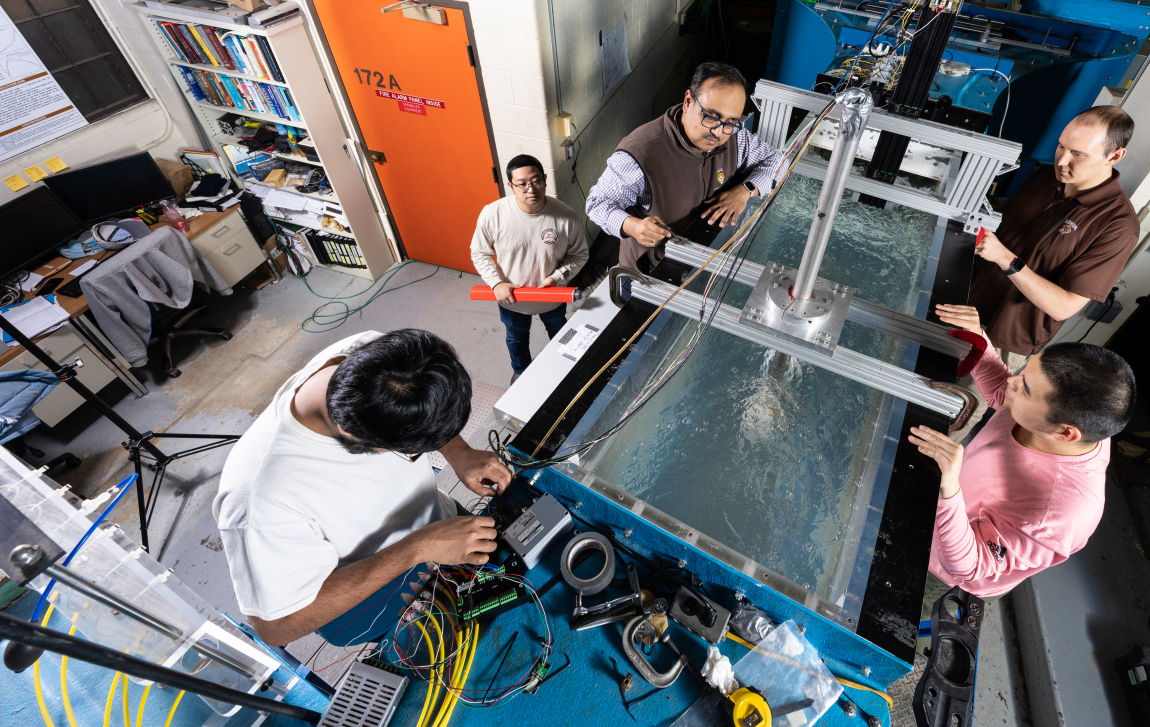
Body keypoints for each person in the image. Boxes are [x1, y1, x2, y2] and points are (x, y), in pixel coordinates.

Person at [213, 329, 513, 647]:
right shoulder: (258, 502)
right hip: (375, 590)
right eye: (412, 451)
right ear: (351, 434)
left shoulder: (376, 357)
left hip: (441, 528)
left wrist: (458, 452)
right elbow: (276, 628)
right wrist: (418, 548)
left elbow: (420, 401)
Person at [911, 303, 1135, 609]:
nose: (1012, 383)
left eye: (1026, 389)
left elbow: (968, 565)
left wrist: (948, 488)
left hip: (943, 571)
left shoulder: (1060, 515)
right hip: (943, 509)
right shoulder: (1069, 421)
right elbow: (1004, 395)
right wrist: (980, 342)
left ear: (1065, 433)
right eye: (1025, 372)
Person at [968, 106, 1140, 370]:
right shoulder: (1045, 177)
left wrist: (1006, 259)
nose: (1061, 161)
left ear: (1114, 156)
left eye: (1077, 154)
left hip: (1003, 338)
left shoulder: (1117, 225)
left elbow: (1063, 306)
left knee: (960, 404)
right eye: (1061, 147)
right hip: (966, 302)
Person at [586, 62, 784, 272]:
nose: (718, 133)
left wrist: (745, 191)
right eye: (711, 117)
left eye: (730, 122)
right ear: (688, 101)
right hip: (649, 277)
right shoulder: (641, 153)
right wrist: (632, 225)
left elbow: (779, 162)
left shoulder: (735, 138)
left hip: (705, 263)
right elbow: (596, 203)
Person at [470, 154, 588, 382]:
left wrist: (558, 277)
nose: (530, 189)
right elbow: (479, 252)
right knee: (516, 337)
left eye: (535, 181)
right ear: (510, 186)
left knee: (559, 331)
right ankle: (521, 371)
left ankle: (563, 368)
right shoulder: (493, 214)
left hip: (552, 296)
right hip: (511, 299)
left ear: (544, 179)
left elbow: (579, 254)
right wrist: (496, 283)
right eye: (522, 184)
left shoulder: (566, 217)